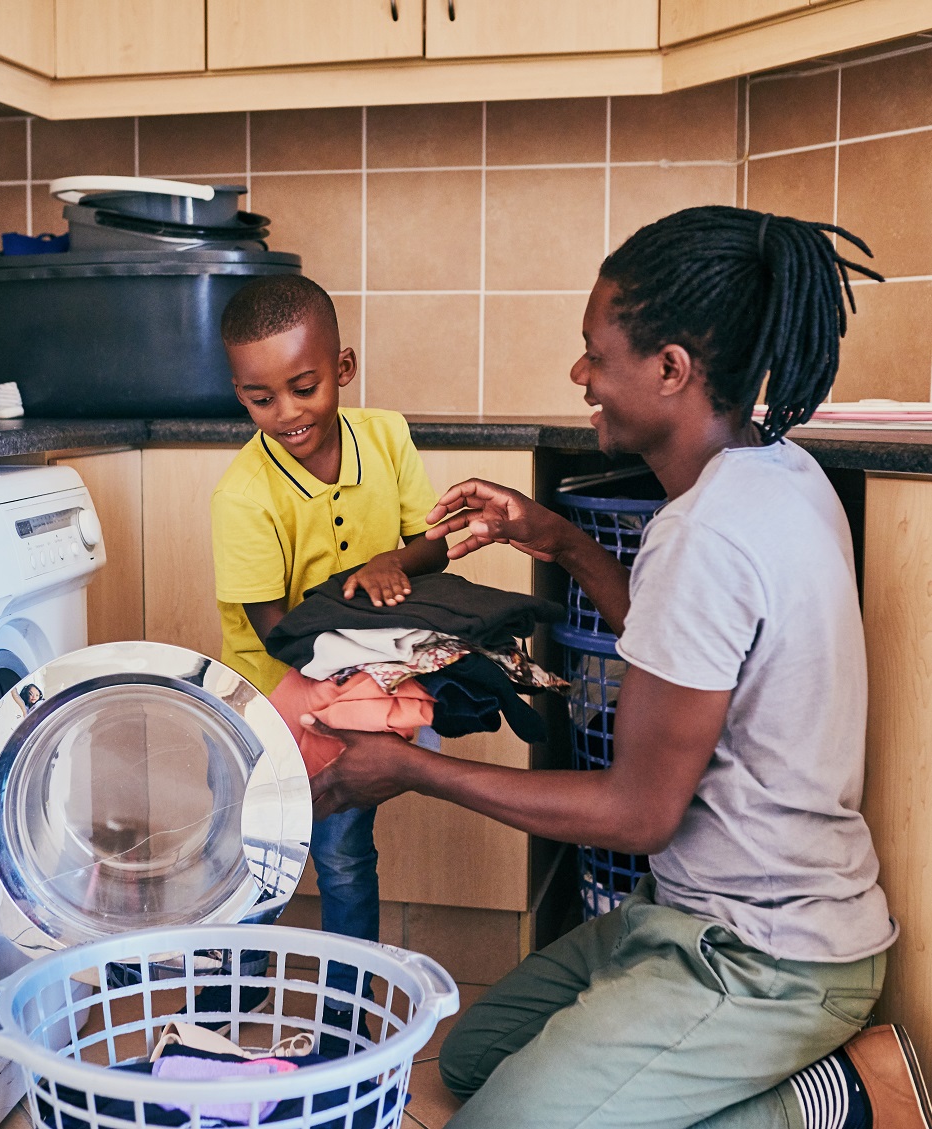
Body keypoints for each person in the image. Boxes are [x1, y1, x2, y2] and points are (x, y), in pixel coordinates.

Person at [305, 206, 932, 1127]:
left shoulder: (705, 535)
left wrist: (411, 769)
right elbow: (689, 665)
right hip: (688, 911)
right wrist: (557, 538)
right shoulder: (777, 472)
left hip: (766, 954)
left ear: (671, 368)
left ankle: (834, 1098)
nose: (580, 375)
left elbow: (637, 814)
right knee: (476, 1060)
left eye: (596, 354)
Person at [209, 273, 449, 1049]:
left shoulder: (386, 435)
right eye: (259, 398)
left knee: (345, 853)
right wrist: (352, 652)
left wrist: (391, 558)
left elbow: (435, 540)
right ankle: (231, 992)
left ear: (341, 369)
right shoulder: (244, 494)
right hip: (271, 691)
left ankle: (346, 1011)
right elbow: (276, 631)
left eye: (303, 387)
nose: (285, 414)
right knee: (257, 852)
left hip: (356, 681)